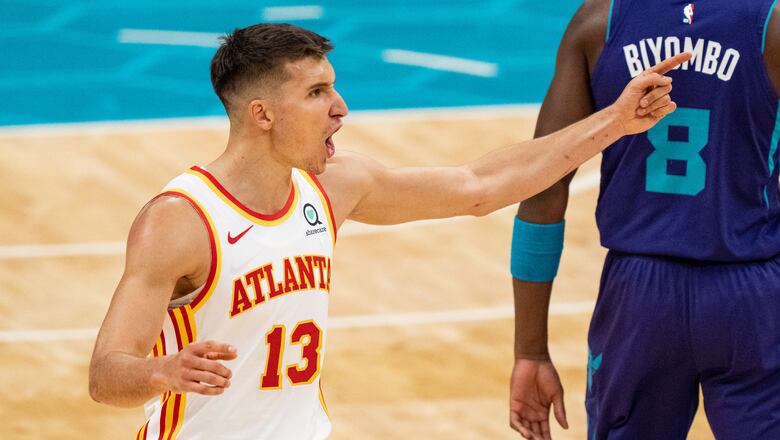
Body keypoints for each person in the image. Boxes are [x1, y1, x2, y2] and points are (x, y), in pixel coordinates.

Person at [87, 23, 686, 439]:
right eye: (317, 92)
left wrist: (614, 122)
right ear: (262, 114)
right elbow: (106, 374)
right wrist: (159, 372)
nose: (340, 107)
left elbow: (480, 185)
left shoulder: (333, 186)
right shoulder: (180, 219)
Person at [508, 1, 780, 439]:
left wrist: (530, 350)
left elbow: (543, 189)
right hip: (751, 294)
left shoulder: (599, 21)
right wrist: (761, 200)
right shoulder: (779, 24)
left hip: (637, 300)